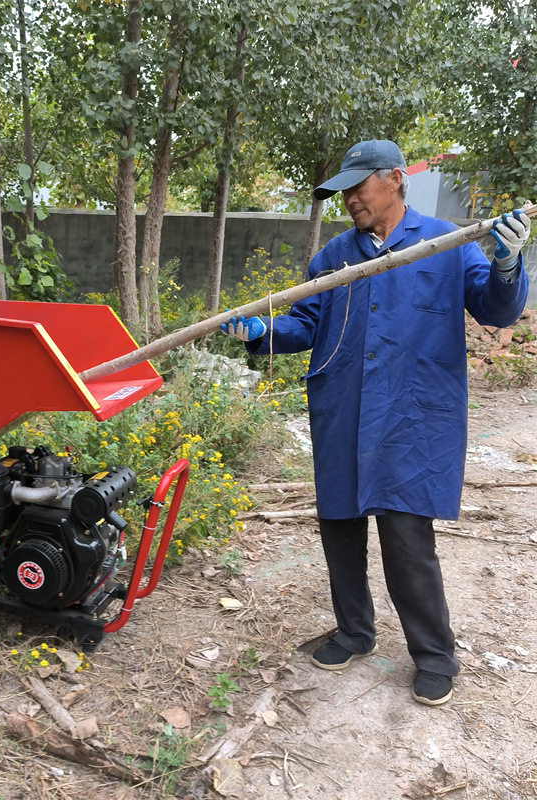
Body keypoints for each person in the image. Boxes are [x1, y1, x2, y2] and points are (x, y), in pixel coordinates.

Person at [221, 139, 530, 706]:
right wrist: (264, 333)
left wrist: (509, 265)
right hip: (344, 409)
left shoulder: (447, 244)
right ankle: (354, 633)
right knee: (339, 530)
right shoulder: (335, 256)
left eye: (358, 187)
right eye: (343, 192)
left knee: (407, 539)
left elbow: (497, 310)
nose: (350, 201)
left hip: (411, 417)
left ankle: (435, 655)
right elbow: (305, 324)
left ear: (394, 178)